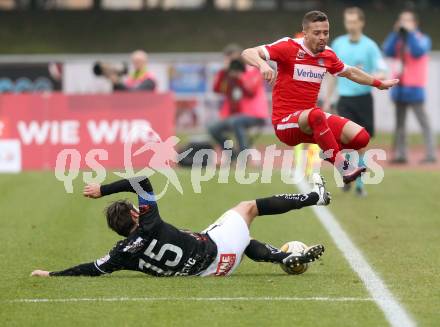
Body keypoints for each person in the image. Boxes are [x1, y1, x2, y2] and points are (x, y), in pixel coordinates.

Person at [30, 174, 329, 278]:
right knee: (247, 208)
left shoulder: (121, 254)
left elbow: (91, 269)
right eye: (136, 209)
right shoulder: (150, 223)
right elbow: (142, 181)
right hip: (216, 252)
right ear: (135, 216)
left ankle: (281, 257)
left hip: (208, 273)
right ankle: (315, 196)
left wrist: (52, 273)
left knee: (238, 237)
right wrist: (103, 190)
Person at [241, 10, 399, 185]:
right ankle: (341, 166)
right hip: (286, 123)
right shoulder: (288, 47)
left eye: (326, 32)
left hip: (311, 121)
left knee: (361, 137)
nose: (322, 37)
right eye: (317, 33)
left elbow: (351, 72)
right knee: (316, 114)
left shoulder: (328, 55)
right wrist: (263, 65)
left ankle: (328, 149)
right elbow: (247, 53)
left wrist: (378, 83)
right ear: (305, 33)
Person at [323, 7, 387, 196]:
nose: (350, 25)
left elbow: (381, 68)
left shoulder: (370, 46)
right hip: (345, 100)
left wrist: (379, 76)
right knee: (347, 142)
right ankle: (350, 176)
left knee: (361, 145)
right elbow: (332, 75)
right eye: (347, 21)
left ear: (361, 22)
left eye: (353, 21)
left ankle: (359, 184)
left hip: (364, 100)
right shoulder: (338, 44)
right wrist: (327, 99)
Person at [383, 10, 437, 164]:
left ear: (415, 23)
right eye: (402, 20)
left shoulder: (422, 38)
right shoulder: (398, 39)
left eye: (407, 20)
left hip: (414, 88)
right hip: (399, 87)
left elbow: (418, 51)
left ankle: (431, 153)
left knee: (423, 122)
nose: (404, 23)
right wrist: (395, 33)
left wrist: (411, 33)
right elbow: (387, 50)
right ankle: (401, 154)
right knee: (400, 124)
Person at [209, 44, 268, 158]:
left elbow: (251, 91)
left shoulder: (253, 70)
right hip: (234, 116)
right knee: (213, 128)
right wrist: (224, 73)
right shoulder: (227, 75)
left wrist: (240, 76)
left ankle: (244, 156)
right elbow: (217, 89)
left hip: (254, 115)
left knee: (236, 122)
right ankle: (232, 155)